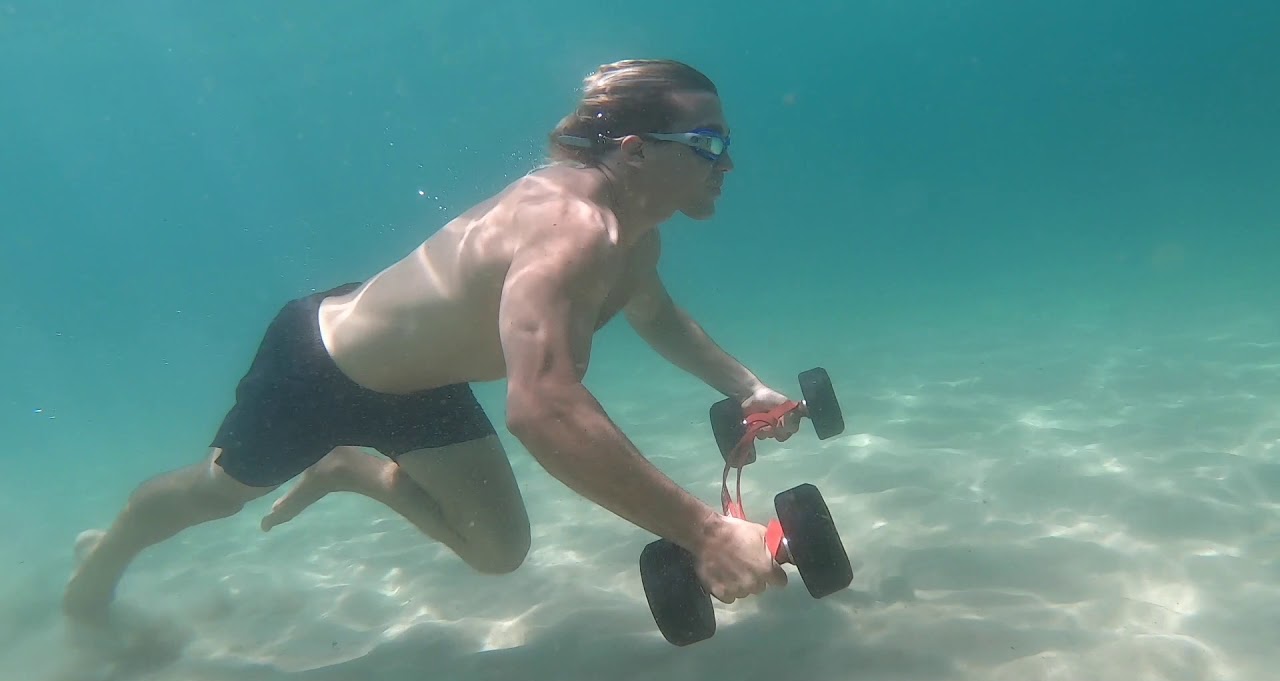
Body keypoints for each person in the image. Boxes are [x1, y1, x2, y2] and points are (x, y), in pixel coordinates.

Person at [63, 59, 804, 626]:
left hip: (423, 382)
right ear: (638, 152)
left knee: (497, 553)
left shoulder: (633, 241)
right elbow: (542, 408)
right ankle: (103, 558)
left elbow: (657, 318)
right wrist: (705, 534)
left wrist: (746, 387)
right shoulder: (570, 229)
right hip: (323, 364)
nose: (728, 163)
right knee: (216, 493)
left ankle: (350, 468)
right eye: (709, 144)